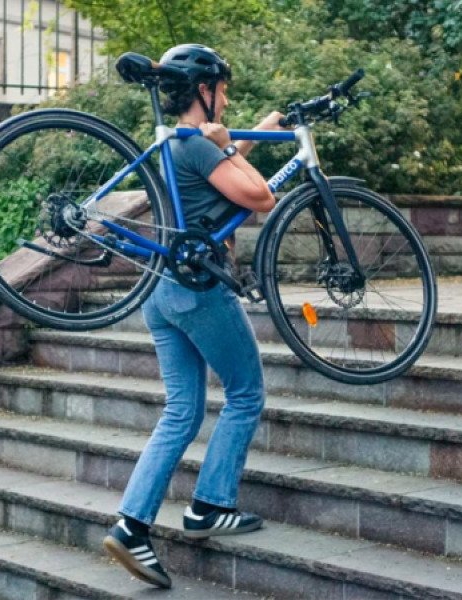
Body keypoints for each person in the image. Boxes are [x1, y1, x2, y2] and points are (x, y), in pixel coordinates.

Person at [101, 43, 287, 589]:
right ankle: (209, 505)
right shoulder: (200, 146)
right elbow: (258, 195)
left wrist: (265, 127)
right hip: (200, 292)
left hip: (161, 294)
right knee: (247, 392)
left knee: (181, 411)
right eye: (222, 89)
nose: (226, 97)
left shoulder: (182, 145)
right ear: (202, 91)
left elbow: (224, 159)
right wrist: (235, 147)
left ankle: (131, 526)